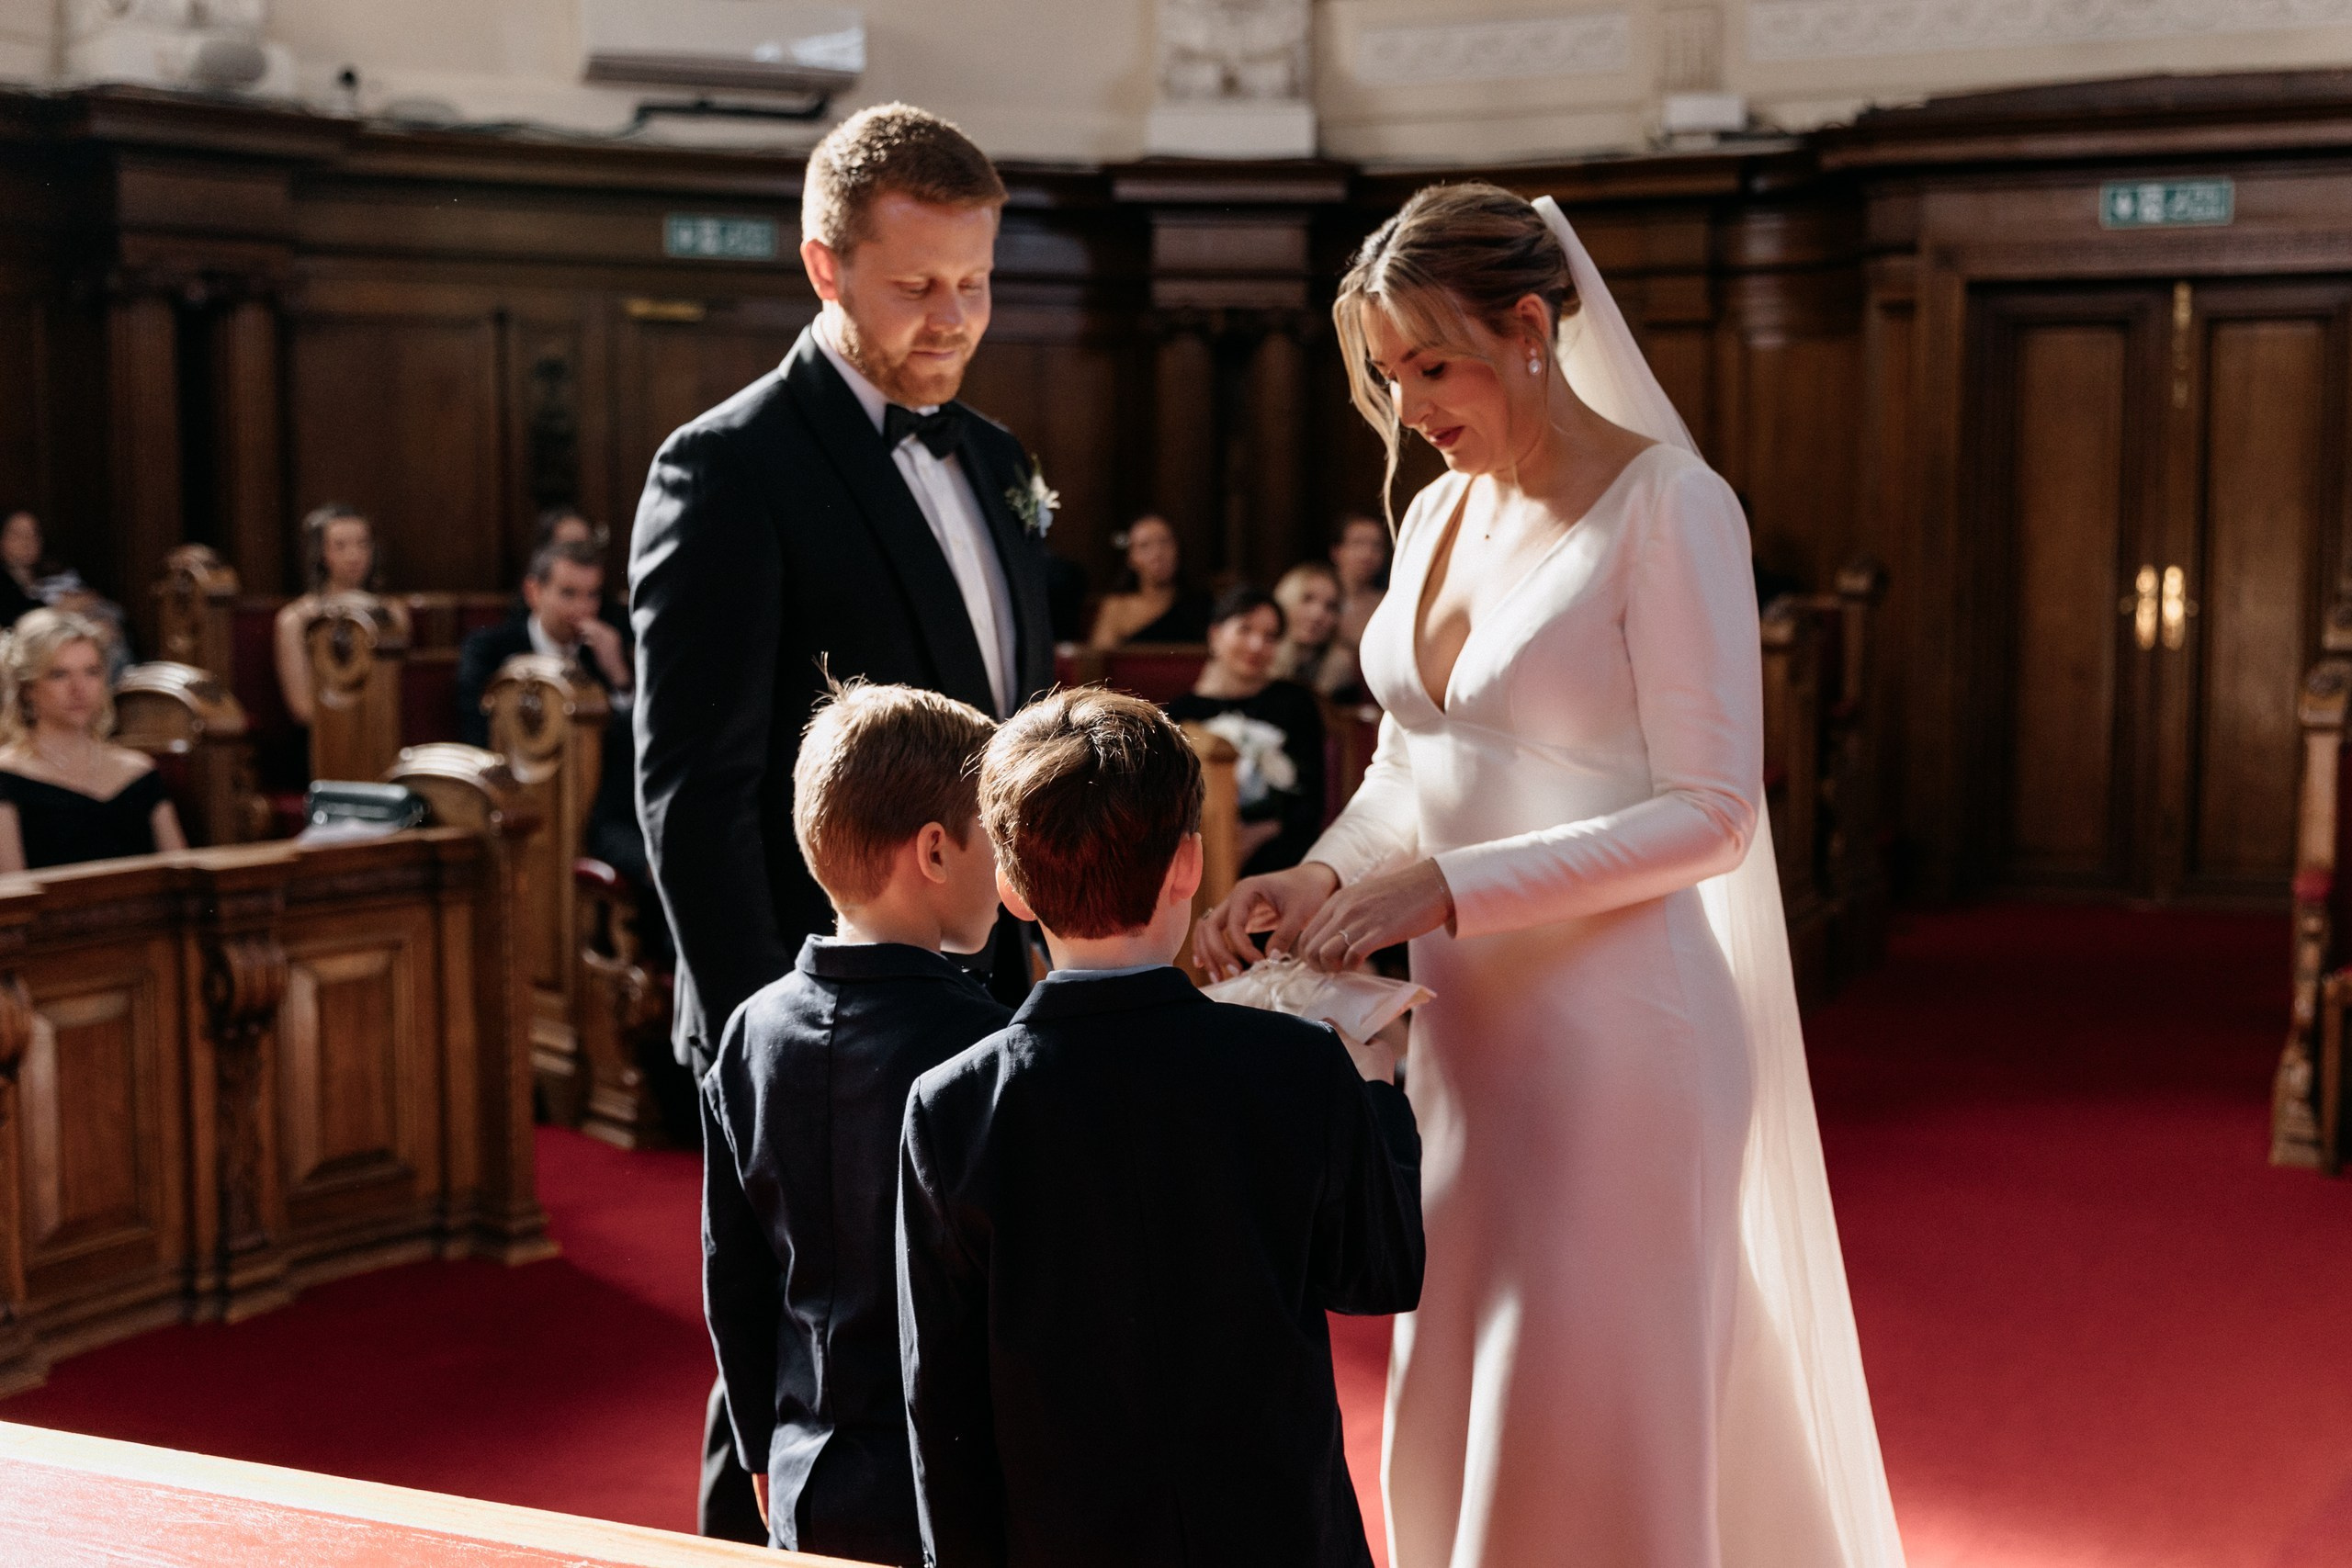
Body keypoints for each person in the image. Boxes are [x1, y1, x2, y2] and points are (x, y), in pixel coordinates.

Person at [1193, 183, 1906, 1568]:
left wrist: (1446, 889)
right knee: (1460, 1373)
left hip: (1623, 1038)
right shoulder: (1436, 516)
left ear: (1530, 327)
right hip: (1472, 1042)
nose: (1411, 408)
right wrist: (1315, 871)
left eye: (1432, 365)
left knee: (1586, 1407)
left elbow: (1712, 813)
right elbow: (1412, 761)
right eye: (1389, 376)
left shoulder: (1671, 504)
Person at [628, 101, 1055, 1542]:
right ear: (825, 267)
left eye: (977, 284)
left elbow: (1016, 721)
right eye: (915, 285)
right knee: (795, 1355)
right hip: (811, 1011)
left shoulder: (996, 455)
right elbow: (692, 781)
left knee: (959, 1340)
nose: (953, 318)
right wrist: (776, 1034)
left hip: (981, 978)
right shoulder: (725, 465)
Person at [898, 687, 1424, 1568]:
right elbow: (1381, 1272)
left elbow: (939, 1396)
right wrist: (1377, 1092)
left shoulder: (952, 1104)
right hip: (1277, 1534)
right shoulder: (1294, 1065)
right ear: (1190, 865)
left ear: (1011, 887)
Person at [702, 681, 1008, 1566]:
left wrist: (759, 1442)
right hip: (951, 1486)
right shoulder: (986, 1048)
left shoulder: (751, 1029)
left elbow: (735, 1273)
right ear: (937, 851)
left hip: (806, 1468)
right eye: (997, 835)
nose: (1009, 864)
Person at [0, 608, 186, 872]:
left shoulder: (138, 771)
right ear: (28, 688)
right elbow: (14, 895)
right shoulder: (7, 776)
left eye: (92, 672)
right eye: (59, 674)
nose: (79, 688)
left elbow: (182, 877)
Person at [1166, 584, 1327, 876]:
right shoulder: (1180, 713)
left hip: (1283, 849)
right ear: (1215, 635)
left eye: (1269, 637)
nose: (1256, 646)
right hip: (1204, 850)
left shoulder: (1295, 702)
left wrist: (1259, 832)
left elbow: (1310, 800)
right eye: (1245, 630)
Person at [276, 503, 410, 727]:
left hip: (385, 726)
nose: (354, 555)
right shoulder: (296, 619)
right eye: (340, 546)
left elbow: (400, 690)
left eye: (362, 544)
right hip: (324, 734)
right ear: (320, 553)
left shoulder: (393, 612)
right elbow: (301, 706)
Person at [1084, 513, 1210, 648]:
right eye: (1144, 546)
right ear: (1130, 558)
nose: (1157, 554)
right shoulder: (1117, 608)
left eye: (1165, 542)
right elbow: (1100, 658)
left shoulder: (1202, 604)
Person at [1271, 560, 1362, 699]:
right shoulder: (1261, 656)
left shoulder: (1342, 667)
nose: (1317, 615)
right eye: (1307, 599)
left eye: (1330, 606)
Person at [1329, 513, 1390, 657]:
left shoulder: (1386, 605)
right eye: (1358, 543)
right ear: (1336, 551)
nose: (1368, 554)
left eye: (1377, 546)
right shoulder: (1312, 593)